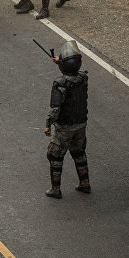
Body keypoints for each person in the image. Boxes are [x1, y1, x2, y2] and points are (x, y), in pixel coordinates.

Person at [45, 42, 90, 198]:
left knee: (55, 156)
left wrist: (47, 125)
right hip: (81, 125)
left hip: (65, 127)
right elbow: (73, 71)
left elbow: (55, 109)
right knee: (79, 153)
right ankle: (85, 183)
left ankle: (55, 189)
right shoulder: (83, 78)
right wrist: (62, 61)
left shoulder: (60, 84)